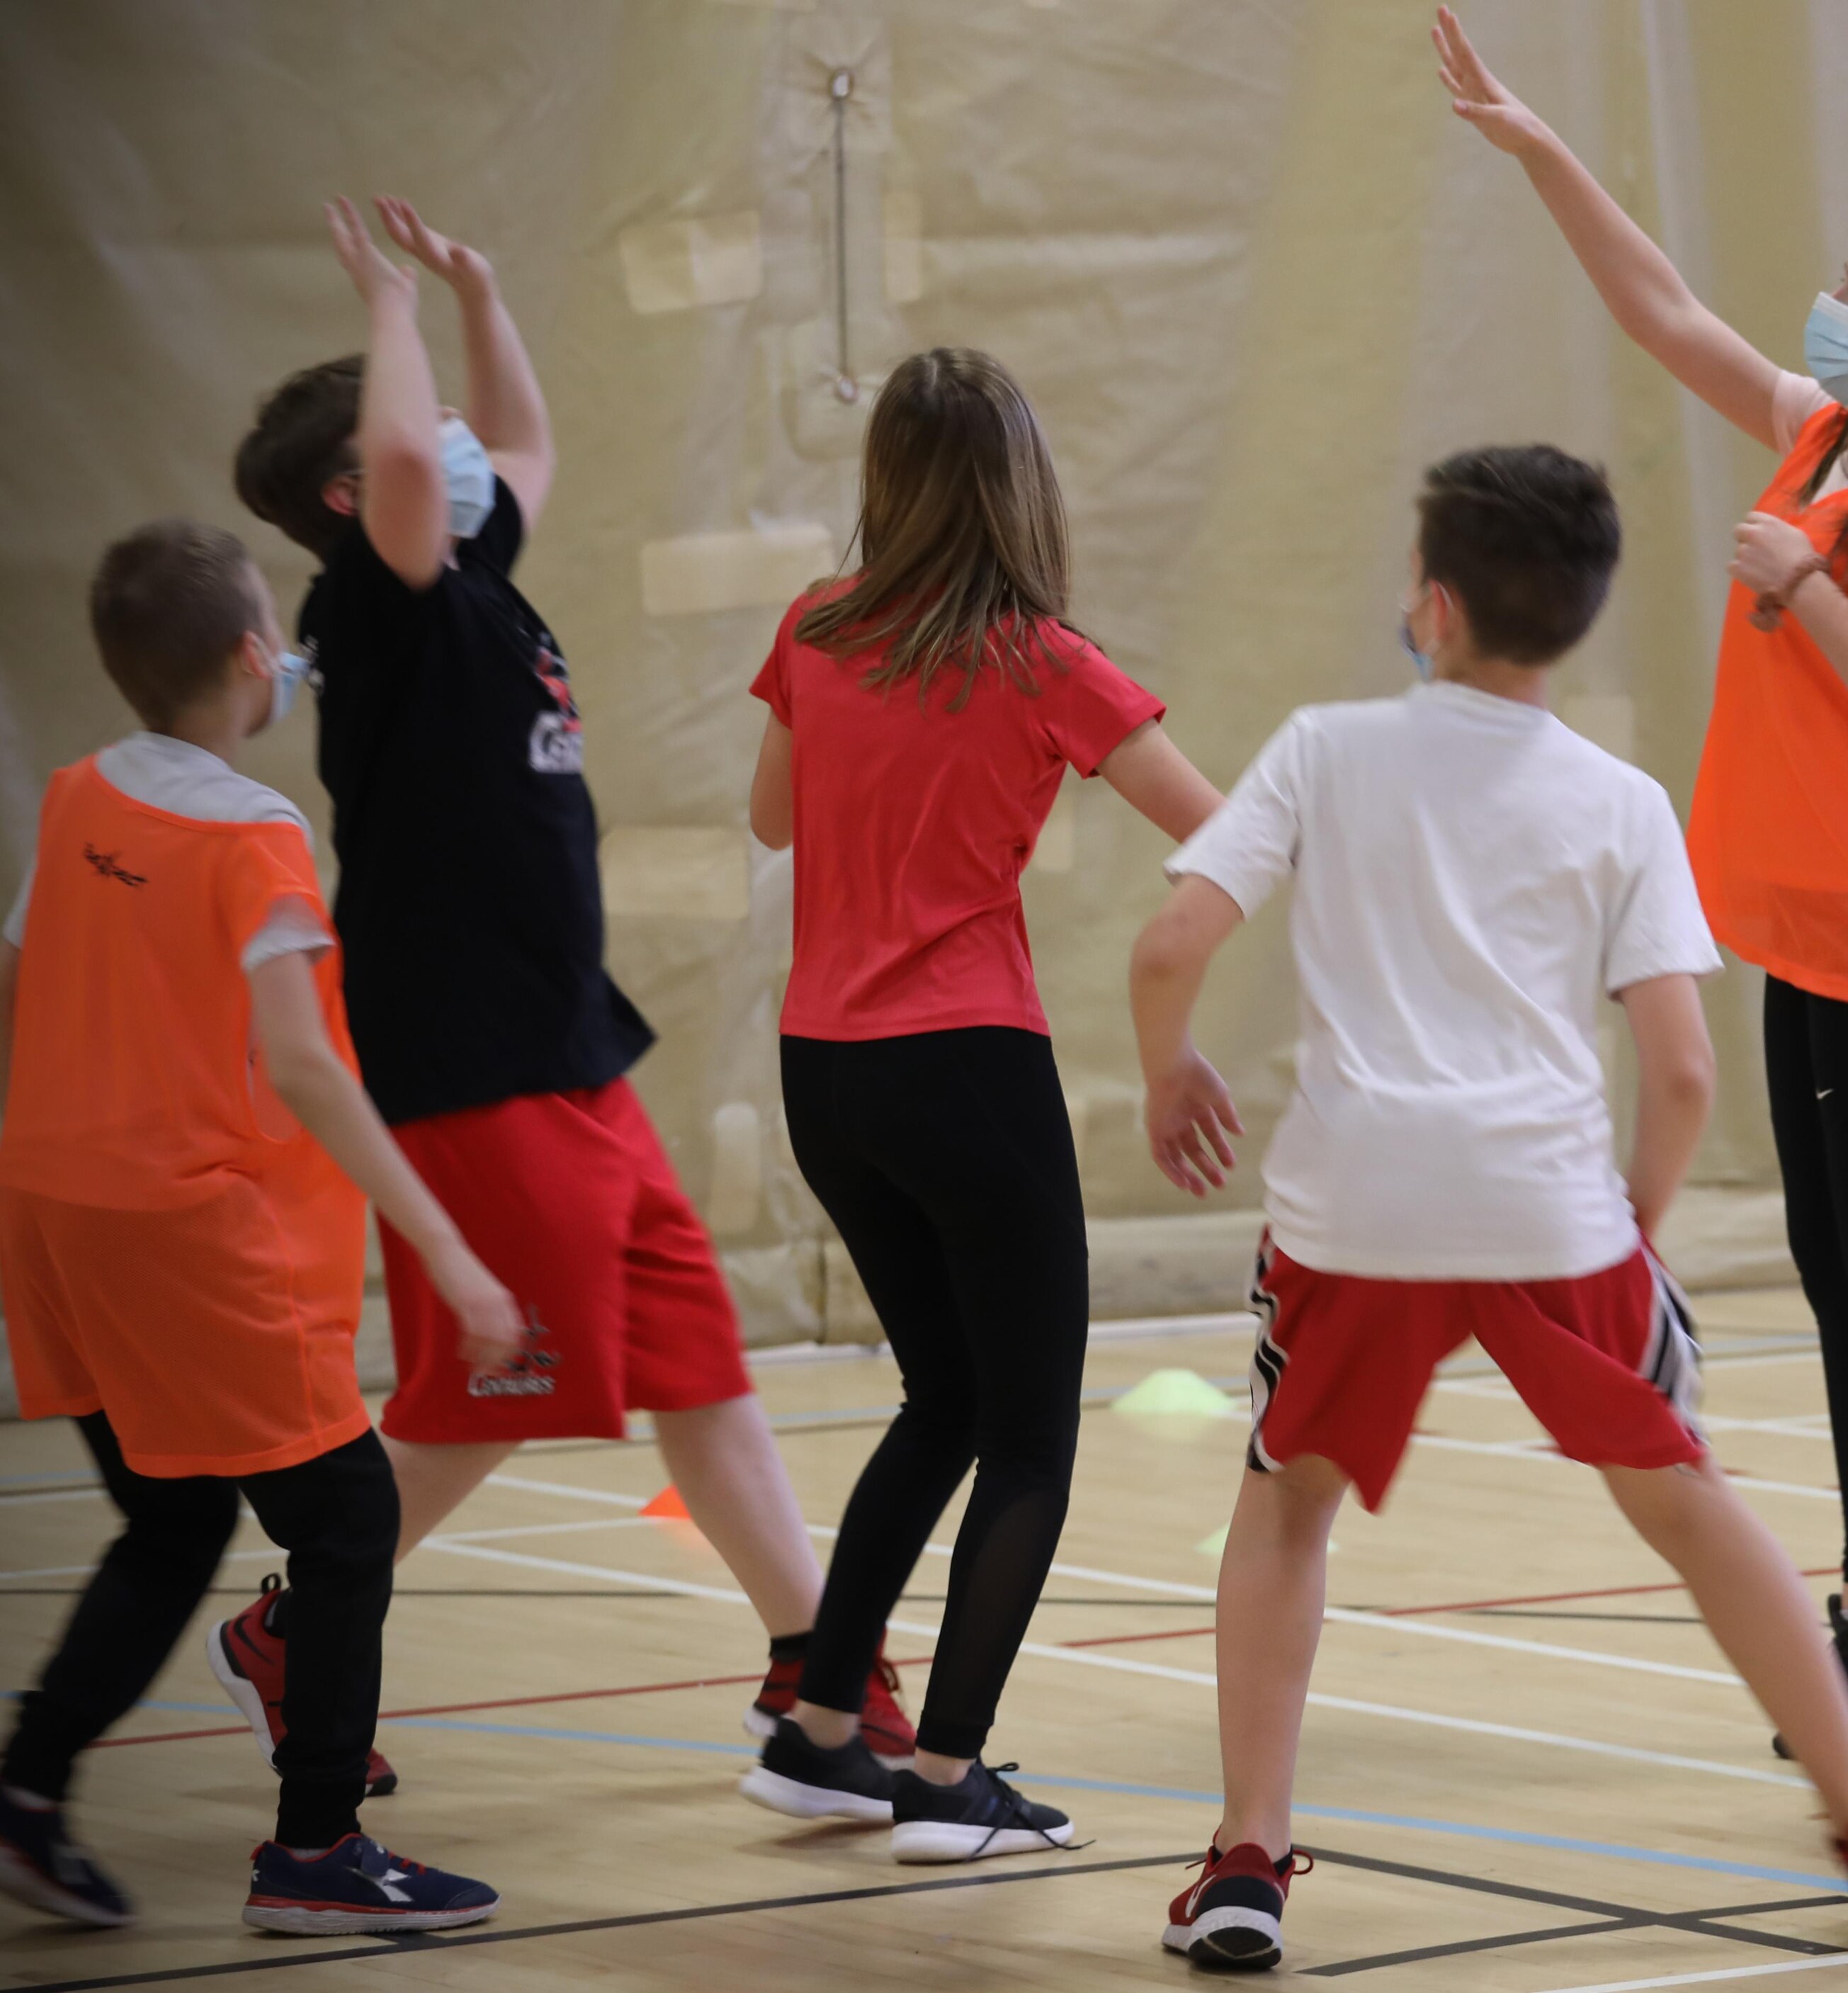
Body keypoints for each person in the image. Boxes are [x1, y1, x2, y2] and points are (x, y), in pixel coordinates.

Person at [1135, 445, 1848, 1972]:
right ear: (1579, 617)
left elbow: (1166, 945)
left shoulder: (1321, 749)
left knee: (1283, 1511)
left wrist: (1168, 1072)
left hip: (1353, 1211)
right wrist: (1633, 1236)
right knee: (1689, 1507)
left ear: (1433, 603)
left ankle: (1249, 1863)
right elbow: (1677, 1071)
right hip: (1549, 1205)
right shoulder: (1618, 798)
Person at [1432, 9, 1848, 1790]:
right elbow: (1662, 315)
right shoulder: (1828, 442)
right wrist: (1540, 148)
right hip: (1795, 913)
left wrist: (1808, 590)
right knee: (1830, 1264)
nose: (1834, 305)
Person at [230, 198, 898, 1780]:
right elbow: (411, 467)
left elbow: (515, 446)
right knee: (493, 1389)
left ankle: (818, 1681)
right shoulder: (377, 609)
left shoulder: (475, 576)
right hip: (463, 1057)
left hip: (566, 1043)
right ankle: (294, 1633)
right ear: (353, 493)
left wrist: (474, 295)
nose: (461, 448)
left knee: (696, 1358)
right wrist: (385, 309)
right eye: (426, 432)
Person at [739, 346, 1226, 1858]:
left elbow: (770, 815)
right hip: (969, 1065)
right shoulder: (1041, 660)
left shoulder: (816, 627)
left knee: (940, 1399)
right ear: (1022, 486)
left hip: (824, 1071)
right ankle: (949, 1779)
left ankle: (823, 1730)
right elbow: (1226, 835)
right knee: (1026, 1433)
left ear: (882, 479)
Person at [0, 521, 506, 1934]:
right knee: (346, 1524)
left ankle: (28, 1788)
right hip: (185, 1226)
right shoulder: (254, 830)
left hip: (50, 1209)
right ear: (247, 659)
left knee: (170, 1521)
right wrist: (448, 1251)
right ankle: (316, 1855)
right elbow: (299, 1062)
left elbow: (19, 978)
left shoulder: (73, 791)